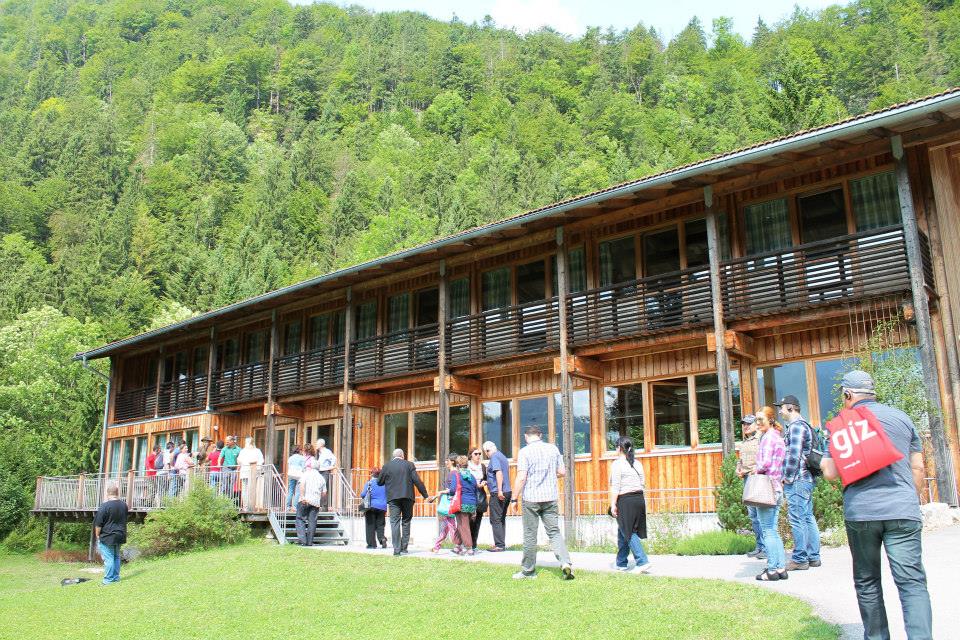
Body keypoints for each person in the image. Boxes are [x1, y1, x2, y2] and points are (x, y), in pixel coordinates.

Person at [820, 370, 933, 640]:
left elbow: (830, 472)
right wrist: (909, 499)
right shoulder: (901, 418)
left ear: (848, 394)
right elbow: (918, 466)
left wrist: (821, 460)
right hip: (903, 509)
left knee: (868, 582)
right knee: (912, 583)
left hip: (862, 512)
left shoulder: (841, 424)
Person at [511, 426, 573, 580]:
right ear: (540, 435)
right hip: (550, 497)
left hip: (531, 498)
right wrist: (550, 476)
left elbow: (521, 477)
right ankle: (565, 562)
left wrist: (514, 498)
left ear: (526, 436)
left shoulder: (524, 452)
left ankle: (528, 571)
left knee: (530, 534)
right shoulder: (553, 449)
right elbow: (562, 472)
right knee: (554, 532)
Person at [775, 394, 822, 570]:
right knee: (808, 517)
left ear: (791, 408)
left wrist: (786, 477)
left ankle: (800, 558)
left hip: (797, 479)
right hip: (806, 479)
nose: (780, 411)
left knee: (797, 519)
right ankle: (813, 557)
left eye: (781, 408)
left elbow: (793, 455)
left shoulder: (796, 427)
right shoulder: (804, 425)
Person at [753, 406, 789, 581]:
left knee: (767, 530)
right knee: (773, 530)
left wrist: (754, 470)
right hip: (777, 488)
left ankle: (772, 569)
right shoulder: (778, 437)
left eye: (761, 419)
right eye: (756, 420)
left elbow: (765, 463)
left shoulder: (768, 438)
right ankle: (781, 567)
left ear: (770, 420)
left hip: (766, 489)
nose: (758, 423)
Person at [608, 436, 650, 573]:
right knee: (623, 530)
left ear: (620, 448)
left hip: (625, 500)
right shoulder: (637, 463)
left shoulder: (617, 464)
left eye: (616, 447)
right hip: (639, 498)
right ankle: (621, 562)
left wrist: (613, 504)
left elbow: (616, 486)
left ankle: (642, 561)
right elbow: (642, 482)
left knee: (628, 531)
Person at [377, 448, 429, 556]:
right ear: (403, 456)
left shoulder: (387, 466)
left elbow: (379, 482)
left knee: (394, 522)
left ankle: (396, 550)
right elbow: (417, 481)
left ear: (393, 456)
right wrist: (425, 495)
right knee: (406, 521)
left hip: (393, 498)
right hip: (408, 497)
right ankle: (404, 548)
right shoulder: (409, 465)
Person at [736, 415, 765, 559]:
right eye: (744, 424)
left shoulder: (761, 438)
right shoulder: (745, 441)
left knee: (761, 515)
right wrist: (738, 468)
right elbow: (740, 460)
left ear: (755, 424)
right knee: (753, 516)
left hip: (758, 478)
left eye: (748, 424)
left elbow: (765, 458)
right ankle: (759, 546)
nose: (746, 426)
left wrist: (757, 468)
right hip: (747, 479)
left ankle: (766, 548)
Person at [94, 482, 128, 585]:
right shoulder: (124, 505)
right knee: (116, 557)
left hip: (107, 536)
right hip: (120, 535)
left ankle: (108, 580)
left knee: (109, 558)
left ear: (108, 493)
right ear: (117, 493)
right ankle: (116, 577)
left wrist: (97, 535)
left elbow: (98, 524)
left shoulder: (104, 506)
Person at [429, 455, 462, 553]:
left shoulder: (453, 473)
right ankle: (436, 546)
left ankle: (457, 546)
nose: (446, 462)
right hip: (450, 502)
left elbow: (452, 490)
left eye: (447, 460)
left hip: (449, 503)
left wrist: (440, 492)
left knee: (451, 525)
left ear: (452, 462)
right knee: (446, 526)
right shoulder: (456, 473)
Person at [482, 440, 511, 552]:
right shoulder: (502, 456)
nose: (486, 455)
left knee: (495, 519)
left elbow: (498, 473)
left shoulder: (494, 457)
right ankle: (501, 543)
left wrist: (499, 490)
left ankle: (499, 545)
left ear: (487, 451)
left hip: (498, 492)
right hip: (507, 491)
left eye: (485, 453)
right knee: (501, 518)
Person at [295, 459, 327, 546]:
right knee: (312, 521)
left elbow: (302, 484)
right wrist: (320, 502)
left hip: (305, 500)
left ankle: (303, 541)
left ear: (311, 466)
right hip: (315, 502)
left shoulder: (306, 473)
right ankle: (309, 542)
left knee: (300, 519)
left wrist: (302, 496)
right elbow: (324, 493)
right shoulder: (322, 478)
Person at [360, 467, 388, 549]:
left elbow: (363, 495)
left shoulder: (369, 483)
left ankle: (371, 544)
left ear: (372, 474)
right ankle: (382, 539)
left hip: (371, 506)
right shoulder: (385, 484)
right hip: (382, 507)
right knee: (380, 525)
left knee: (370, 526)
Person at [467, 447, 488, 553]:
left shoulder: (482, 466)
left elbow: (486, 478)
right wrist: (476, 485)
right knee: (469, 521)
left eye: (479, 453)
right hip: (469, 495)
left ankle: (474, 545)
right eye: (476, 454)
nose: (478, 456)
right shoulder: (467, 466)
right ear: (470, 455)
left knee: (477, 522)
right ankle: (467, 544)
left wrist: (484, 482)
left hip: (480, 495)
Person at [237, 437, 264, 511]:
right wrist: (258, 468)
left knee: (245, 489)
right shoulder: (257, 451)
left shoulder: (243, 451)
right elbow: (261, 461)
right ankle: (250, 506)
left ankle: (246, 506)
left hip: (246, 472)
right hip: (252, 472)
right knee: (251, 489)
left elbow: (239, 461)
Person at [315, 439, 337, 511]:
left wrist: (331, 467)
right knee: (318, 488)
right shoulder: (319, 453)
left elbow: (334, 458)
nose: (316, 445)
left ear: (321, 445)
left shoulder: (327, 452)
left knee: (324, 488)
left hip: (324, 471)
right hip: (319, 471)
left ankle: (324, 507)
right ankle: (318, 505)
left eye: (317, 444)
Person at [220, 436, 242, 500]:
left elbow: (240, 459)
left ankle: (229, 499)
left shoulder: (238, 449)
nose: (226, 443)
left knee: (232, 485)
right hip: (226, 468)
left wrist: (239, 467)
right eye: (226, 441)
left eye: (228, 441)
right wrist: (219, 463)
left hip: (234, 469)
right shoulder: (224, 449)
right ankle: (222, 498)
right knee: (225, 484)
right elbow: (220, 457)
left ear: (232, 441)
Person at [286, 445, 305, 510]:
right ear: (299, 450)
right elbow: (303, 468)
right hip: (299, 475)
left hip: (291, 474)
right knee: (298, 491)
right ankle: (295, 506)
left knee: (290, 490)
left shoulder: (290, 458)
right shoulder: (302, 458)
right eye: (301, 450)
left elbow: (289, 466)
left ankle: (288, 506)